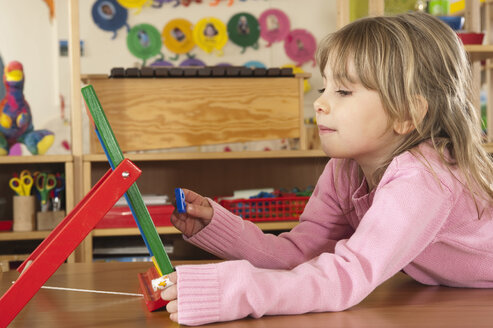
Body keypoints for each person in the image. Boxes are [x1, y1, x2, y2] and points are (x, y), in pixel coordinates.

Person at [161, 11, 493, 326]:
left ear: (407, 114)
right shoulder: (344, 169)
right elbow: (301, 253)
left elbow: (348, 276)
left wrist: (239, 291)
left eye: (344, 91)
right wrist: (220, 227)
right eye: (325, 87)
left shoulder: (424, 178)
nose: (320, 103)